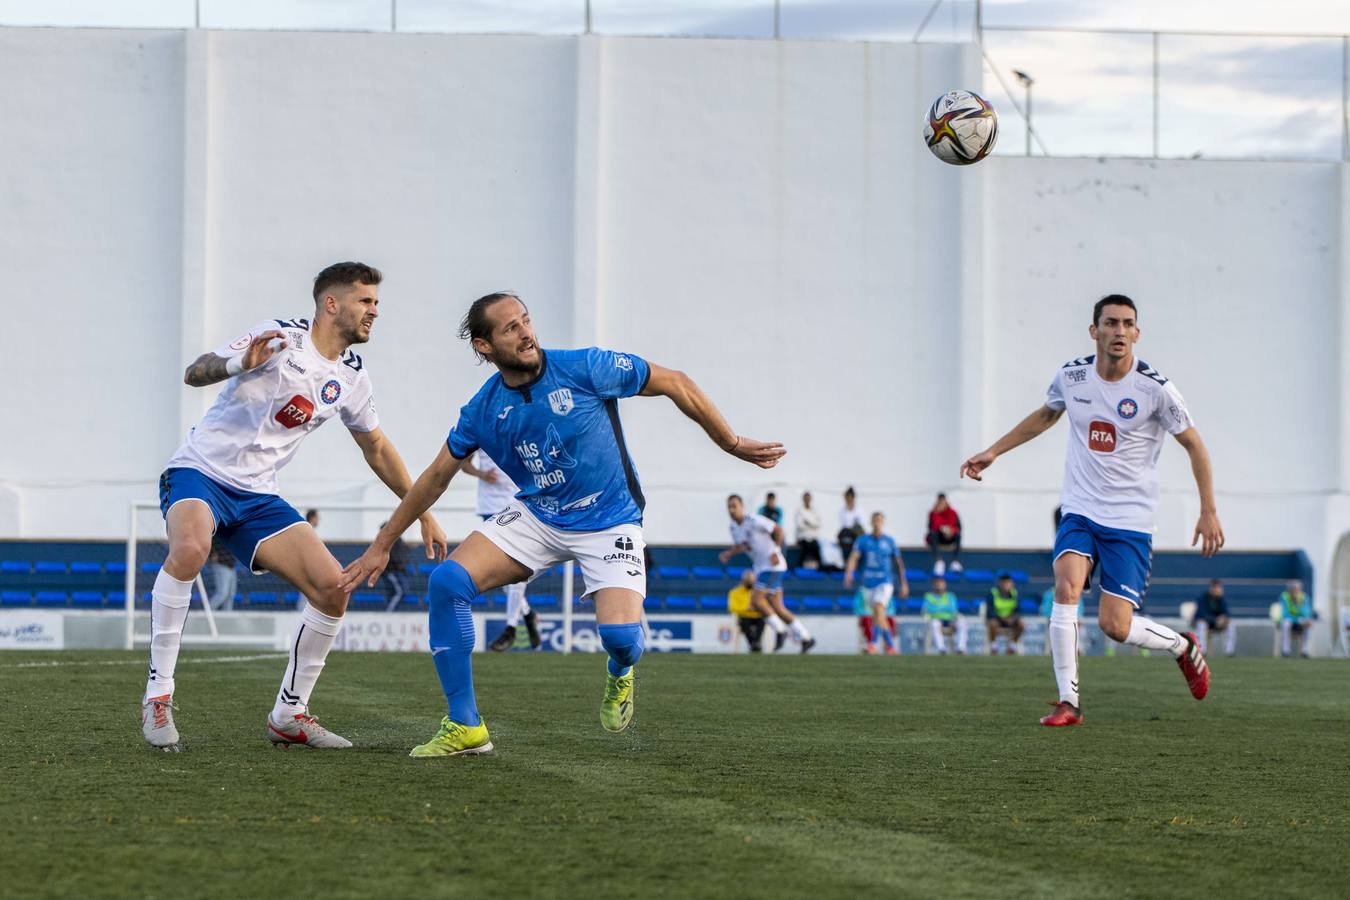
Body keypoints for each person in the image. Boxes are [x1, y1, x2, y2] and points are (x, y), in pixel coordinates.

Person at [339, 291, 785, 757]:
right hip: (538, 515)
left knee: (621, 640)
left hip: (610, 518)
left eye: (526, 321)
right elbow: (434, 477)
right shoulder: (482, 411)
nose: (526, 333)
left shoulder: (587, 367)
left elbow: (676, 381)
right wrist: (384, 541)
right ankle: (465, 725)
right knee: (448, 582)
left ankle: (620, 672)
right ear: (483, 346)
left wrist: (731, 443)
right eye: (510, 328)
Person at [143, 262, 448, 752]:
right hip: (199, 472)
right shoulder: (279, 337)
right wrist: (238, 365)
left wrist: (423, 512)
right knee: (192, 548)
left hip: (259, 496)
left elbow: (377, 448)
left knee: (333, 589)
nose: (375, 311)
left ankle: (289, 714)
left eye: (376, 303)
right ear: (332, 304)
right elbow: (194, 371)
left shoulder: (352, 377)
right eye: (366, 301)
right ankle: (158, 695)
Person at [961, 294, 1224, 727]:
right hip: (1080, 509)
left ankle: (1182, 646)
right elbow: (1047, 416)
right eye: (1111, 323)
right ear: (1094, 330)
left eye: (1127, 324)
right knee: (1065, 587)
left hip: (1129, 521)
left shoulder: (1155, 389)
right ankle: (1069, 703)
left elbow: (1194, 444)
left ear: (1137, 333)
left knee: (1115, 626)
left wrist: (1208, 509)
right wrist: (993, 452)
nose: (1119, 331)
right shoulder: (1073, 377)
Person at [462, 449, 541, 651]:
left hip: (517, 505)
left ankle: (510, 628)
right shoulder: (480, 428)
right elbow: (465, 464)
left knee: (517, 571)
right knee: (505, 579)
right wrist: (482, 474)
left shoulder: (519, 426)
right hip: (489, 506)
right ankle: (527, 613)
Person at [721, 494, 815, 653]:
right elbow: (743, 546)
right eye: (729, 507)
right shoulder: (733, 528)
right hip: (761, 567)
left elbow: (778, 530)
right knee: (778, 607)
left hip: (772, 565)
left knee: (756, 600)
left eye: (734, 506)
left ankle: (780, 631)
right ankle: (806, 637)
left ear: (742, 507)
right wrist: (729, 554)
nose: (732, 510)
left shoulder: (754, 520)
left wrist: (776, 551)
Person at [844, 512, 909, 655]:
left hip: (885, 582)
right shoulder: (863, 540)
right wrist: (849, 573)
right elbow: (854, 557)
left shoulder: (889, 541)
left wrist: (903, 583)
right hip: (868, 583)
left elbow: (898, 563)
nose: (877, 523)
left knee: (879, 608)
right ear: (871, 522)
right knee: (878, 615)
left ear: (883, 522)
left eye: (879, 520)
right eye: (875, 520)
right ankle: (889, 645)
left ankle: (874, 644)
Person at [922, 576, 966, 654]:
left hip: (950, 620)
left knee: (962, 622)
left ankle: (960, 649)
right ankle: (941, 649)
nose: (939, 585)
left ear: (945, 585)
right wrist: (944, 607)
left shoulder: (950, 596)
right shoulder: (928, 596)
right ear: (933, 585)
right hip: (937, 620)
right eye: (937, 584)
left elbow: (953, 609)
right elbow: (929, 610)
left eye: (941, 583)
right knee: (935, 624)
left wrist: (937, 607)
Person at [1192, 578, 1235, 657]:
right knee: (1201, 624)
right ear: (1212, 588)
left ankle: (1229, 651)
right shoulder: (1203, 598)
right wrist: (1215, 620)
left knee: (1230, 624)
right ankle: (1202, 651)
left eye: (1220, 588)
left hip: (1216, 624)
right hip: (1206, 624)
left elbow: (1227, 613)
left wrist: (1223, 619)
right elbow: (1201, 614)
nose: (1219, 590)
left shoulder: (1221, 599)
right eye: (1217, 588)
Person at [985, 572, 1023, 655]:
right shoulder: (993, 593)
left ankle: (1013, 646)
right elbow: (990, 611)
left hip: (1010, 620)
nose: (1009, 585)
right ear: (1000, 584)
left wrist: (1013, 618)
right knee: (992, 623)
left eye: (1010, 583)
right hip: (997, 620)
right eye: (1006, 583)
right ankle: (994, 646)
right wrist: (1002, 618)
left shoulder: (1015, 593)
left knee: (1021, 624)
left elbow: (1018, 610)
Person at [727, 569, 765, 653]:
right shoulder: (735, 592)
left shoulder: (758, 592)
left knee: (762, 621)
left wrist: (757, 608)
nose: (750, 584)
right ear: (743, 581)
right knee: (744, 622)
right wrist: (746, 608)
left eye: (752, 582)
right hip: (744, 616)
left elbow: (765, 604)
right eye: (748, 582)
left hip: (757, 616)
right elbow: (732, 608)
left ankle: (755, 643)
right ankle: (754, 644)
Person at [925, 493, 963, 576]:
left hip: (950, 537)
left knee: (958, 535)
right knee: (932, 534)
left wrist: (951, 531)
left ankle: (955, 562)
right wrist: (941, 529)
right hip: (938, 537)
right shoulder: (933, 513)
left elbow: (958, 527)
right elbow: (931, 527)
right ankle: (938, 561)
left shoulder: (953, 513)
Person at [378, 521, 412, 611]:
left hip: (398, 572)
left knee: (399, 592)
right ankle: (389, 612)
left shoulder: (398, 540)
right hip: (390, 572)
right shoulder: (383, 543)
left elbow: (402, 555)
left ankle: (393, 612)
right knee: (399, 592)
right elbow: (392, 558)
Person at [1279, 580, 1314, 657]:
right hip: (1290, 620)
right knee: (1285, 624)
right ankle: (1286, 651)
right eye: (1293, 590)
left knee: (1307, 624)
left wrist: (1298, 603)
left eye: (1297, 590)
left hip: (1300, 620)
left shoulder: (1304, 597)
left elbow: (1306, 613)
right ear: (1289, 591)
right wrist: (1296, 620)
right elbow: (1285, 613)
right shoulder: (1284, 597)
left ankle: (1305, 650)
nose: (1295, 592)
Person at [205, 539, 237, 611]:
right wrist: (212, 553)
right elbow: (211, 538)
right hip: (221, 564)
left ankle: (227, 617)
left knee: (230, 594)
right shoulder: (218, 531)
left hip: (231, 565)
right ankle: (206, 614)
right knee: (222, 594)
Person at [794, 490, 822, 569]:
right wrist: (812, 525)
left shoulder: (815, 511)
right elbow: (800, 525)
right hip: (803, 538)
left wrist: (807, 522)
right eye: (806, 498)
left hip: (813, 538)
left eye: (808, 498)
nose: (807, 500)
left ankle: (819, 569)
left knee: (817, 549)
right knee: (803, 551)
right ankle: (799, 568)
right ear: (803, 499)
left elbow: (818, 524)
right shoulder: (799, 511)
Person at [837, 486, 864, 564]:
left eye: (849, 498)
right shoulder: (842, 510)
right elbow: (844, 524)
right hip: (846, 533)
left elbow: (860, 524)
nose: (848, 500)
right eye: (846, 498)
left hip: (856, 533)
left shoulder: (859, 510)